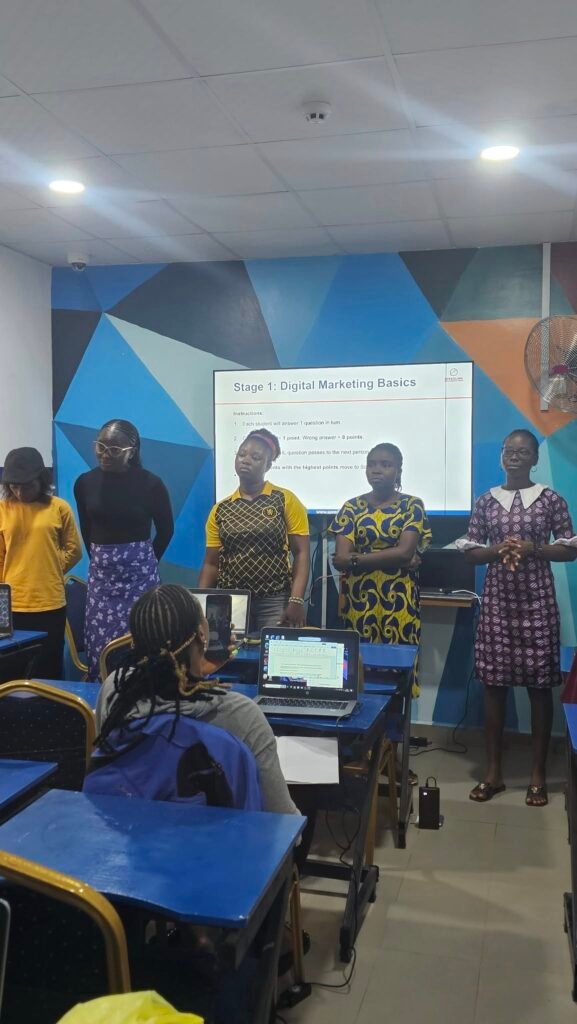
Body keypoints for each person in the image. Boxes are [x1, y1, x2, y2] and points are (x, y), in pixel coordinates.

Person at [95, 584, 299, 818]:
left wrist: (199, 674)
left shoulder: (115, 689)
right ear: (202, 635)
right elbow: (282, 819)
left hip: (130, 831)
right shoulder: (241, 714)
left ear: (135, 642)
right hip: (219, 840)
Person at [458, 429, 577, 807]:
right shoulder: (486, 501)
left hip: (538, 603)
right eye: (508, 450)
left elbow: (570, 549)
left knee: (540, 688)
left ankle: (537, 775)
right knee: (494, 687)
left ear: (534, 459)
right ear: (501, 456)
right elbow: (471, 553)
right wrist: (500, 549)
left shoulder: (550, 499)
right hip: (497, 604)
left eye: (523, 452)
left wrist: (533, 548)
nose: (514, 456)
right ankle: (493, 774)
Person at [330, 443, 431, 785]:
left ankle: (394, 758)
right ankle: (363, 752)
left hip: (399, 607)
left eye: (385, 464)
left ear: (398, 470)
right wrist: (391, 555)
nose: (377, 469)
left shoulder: (412, 505)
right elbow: (340, 558)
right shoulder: (351, 507)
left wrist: (359, 559)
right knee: (360, 677)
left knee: (396, 682)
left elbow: (405, 552)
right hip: (359, 608)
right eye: (371, 463)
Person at [74, 419, 174, 680]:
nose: (105, 454)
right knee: (101, 646)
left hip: (140, 578)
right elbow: (87, 529)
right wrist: (102, 561)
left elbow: (166, 530)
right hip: (102, 582)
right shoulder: (84, 483)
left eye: (115, 449)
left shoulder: (151, 484)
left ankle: (146, 697)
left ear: (132, 451)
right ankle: (105, 699)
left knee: (144, 642)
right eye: (100, 447)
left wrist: (146, 562)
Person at [199, 429, 310, 630]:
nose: (246, 460)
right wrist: (200, 605)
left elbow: (301, 553)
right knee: (232, 649)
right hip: (232, 600)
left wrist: (296, 599)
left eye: (255, 457)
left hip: (274, 599)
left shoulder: (284, 500)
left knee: (272, 649)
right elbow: (211, 564)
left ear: (268, 465)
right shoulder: (221, 509)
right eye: (242, 454)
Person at [0, 446, 82, 677]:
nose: (20, 492)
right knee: (11, 670)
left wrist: (50, 569)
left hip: (50, 603)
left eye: (26, 486)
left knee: (48, 667)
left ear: (41, 480)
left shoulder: (59, 507)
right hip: (12, 604)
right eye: (14, 486)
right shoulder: (3, 510)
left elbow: (74, 550)